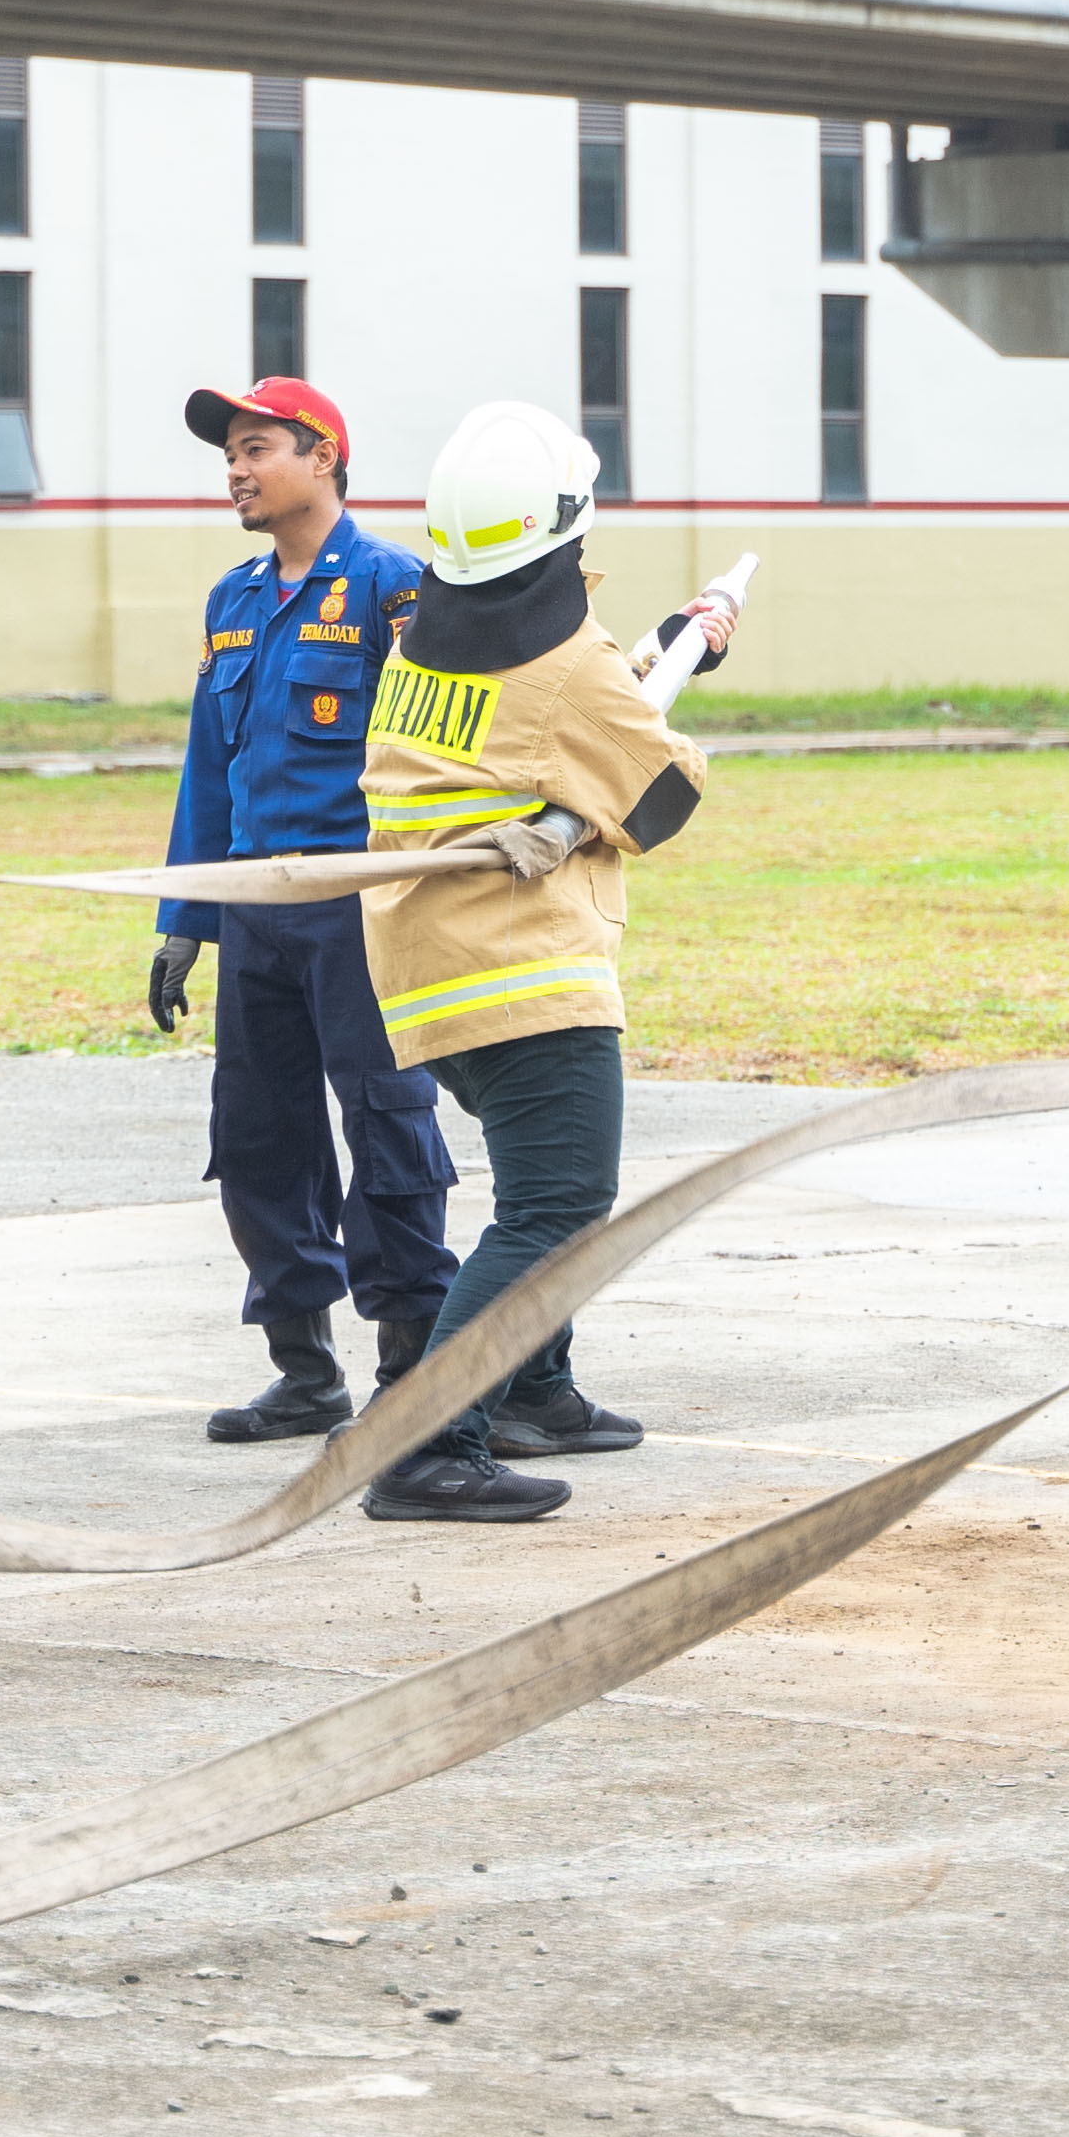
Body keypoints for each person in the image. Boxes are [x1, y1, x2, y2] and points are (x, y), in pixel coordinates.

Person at [351, 399, 722, 1526]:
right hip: (523, 972)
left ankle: (532, 1391)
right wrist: (668, 704)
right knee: (558, 1205)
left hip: (430, 963)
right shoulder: (571, 670)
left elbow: (555, 725)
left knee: (533, 1192)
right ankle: (429, 1442)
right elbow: (660, 796)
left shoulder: (423, 642)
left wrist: (663, 651)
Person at [151, 377, 459, 1442]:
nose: (235, 472)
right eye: (229, 455)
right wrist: (185, 919)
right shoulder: (231, 600)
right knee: (258, 1136)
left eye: (256, 449)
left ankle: (407, 1374)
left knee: (385, 1124)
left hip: (356, 905)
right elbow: (209, 766)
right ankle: (303, 1369)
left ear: (322, 456)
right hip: (252, 907)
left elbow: (434, 756)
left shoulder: (392, 587)